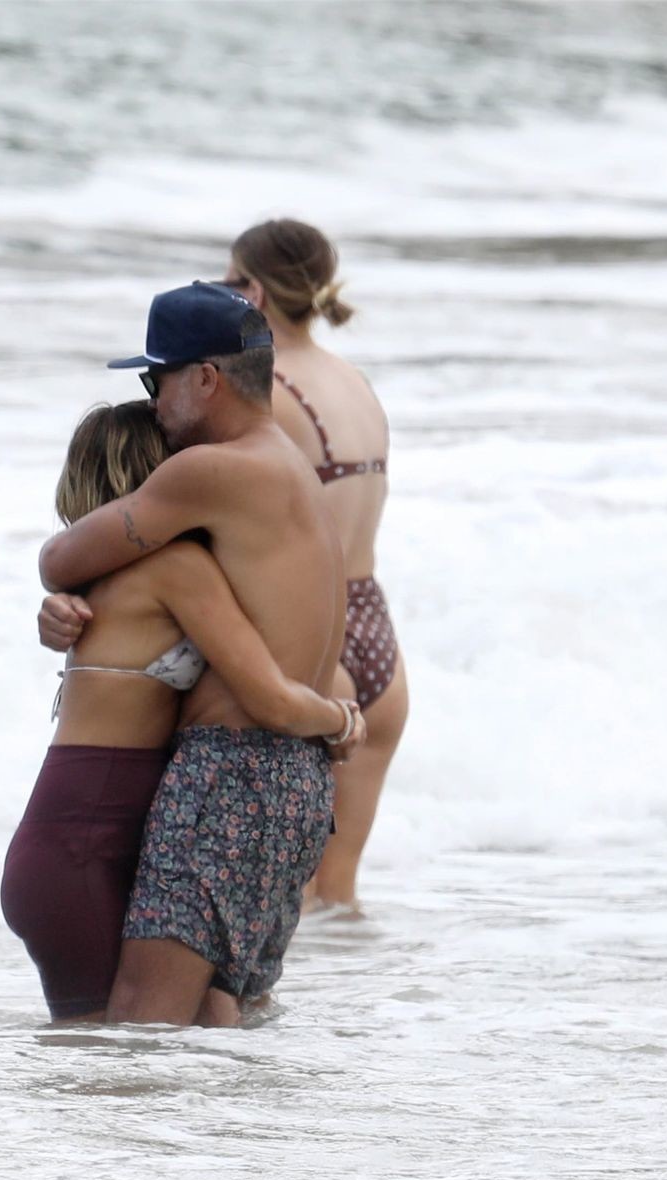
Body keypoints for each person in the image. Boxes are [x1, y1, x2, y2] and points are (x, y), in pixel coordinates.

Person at [36, 281, 347, 1025]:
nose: (151, 405)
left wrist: (62, 593)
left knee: (143, 1027)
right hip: (299, 782)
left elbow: (61, 557)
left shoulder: (210, 471)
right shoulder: (293, 470)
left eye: (157, 381)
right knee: (221, 1019)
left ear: (206, 378)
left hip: (228, 775)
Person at [222, 219, 406, 910]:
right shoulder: (354, 381)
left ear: (255, 292)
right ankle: (354, 991)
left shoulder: (266, 388)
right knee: (338, 897)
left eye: (229, 280)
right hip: (375, 633)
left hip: (310, 636)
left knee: (281, 905)